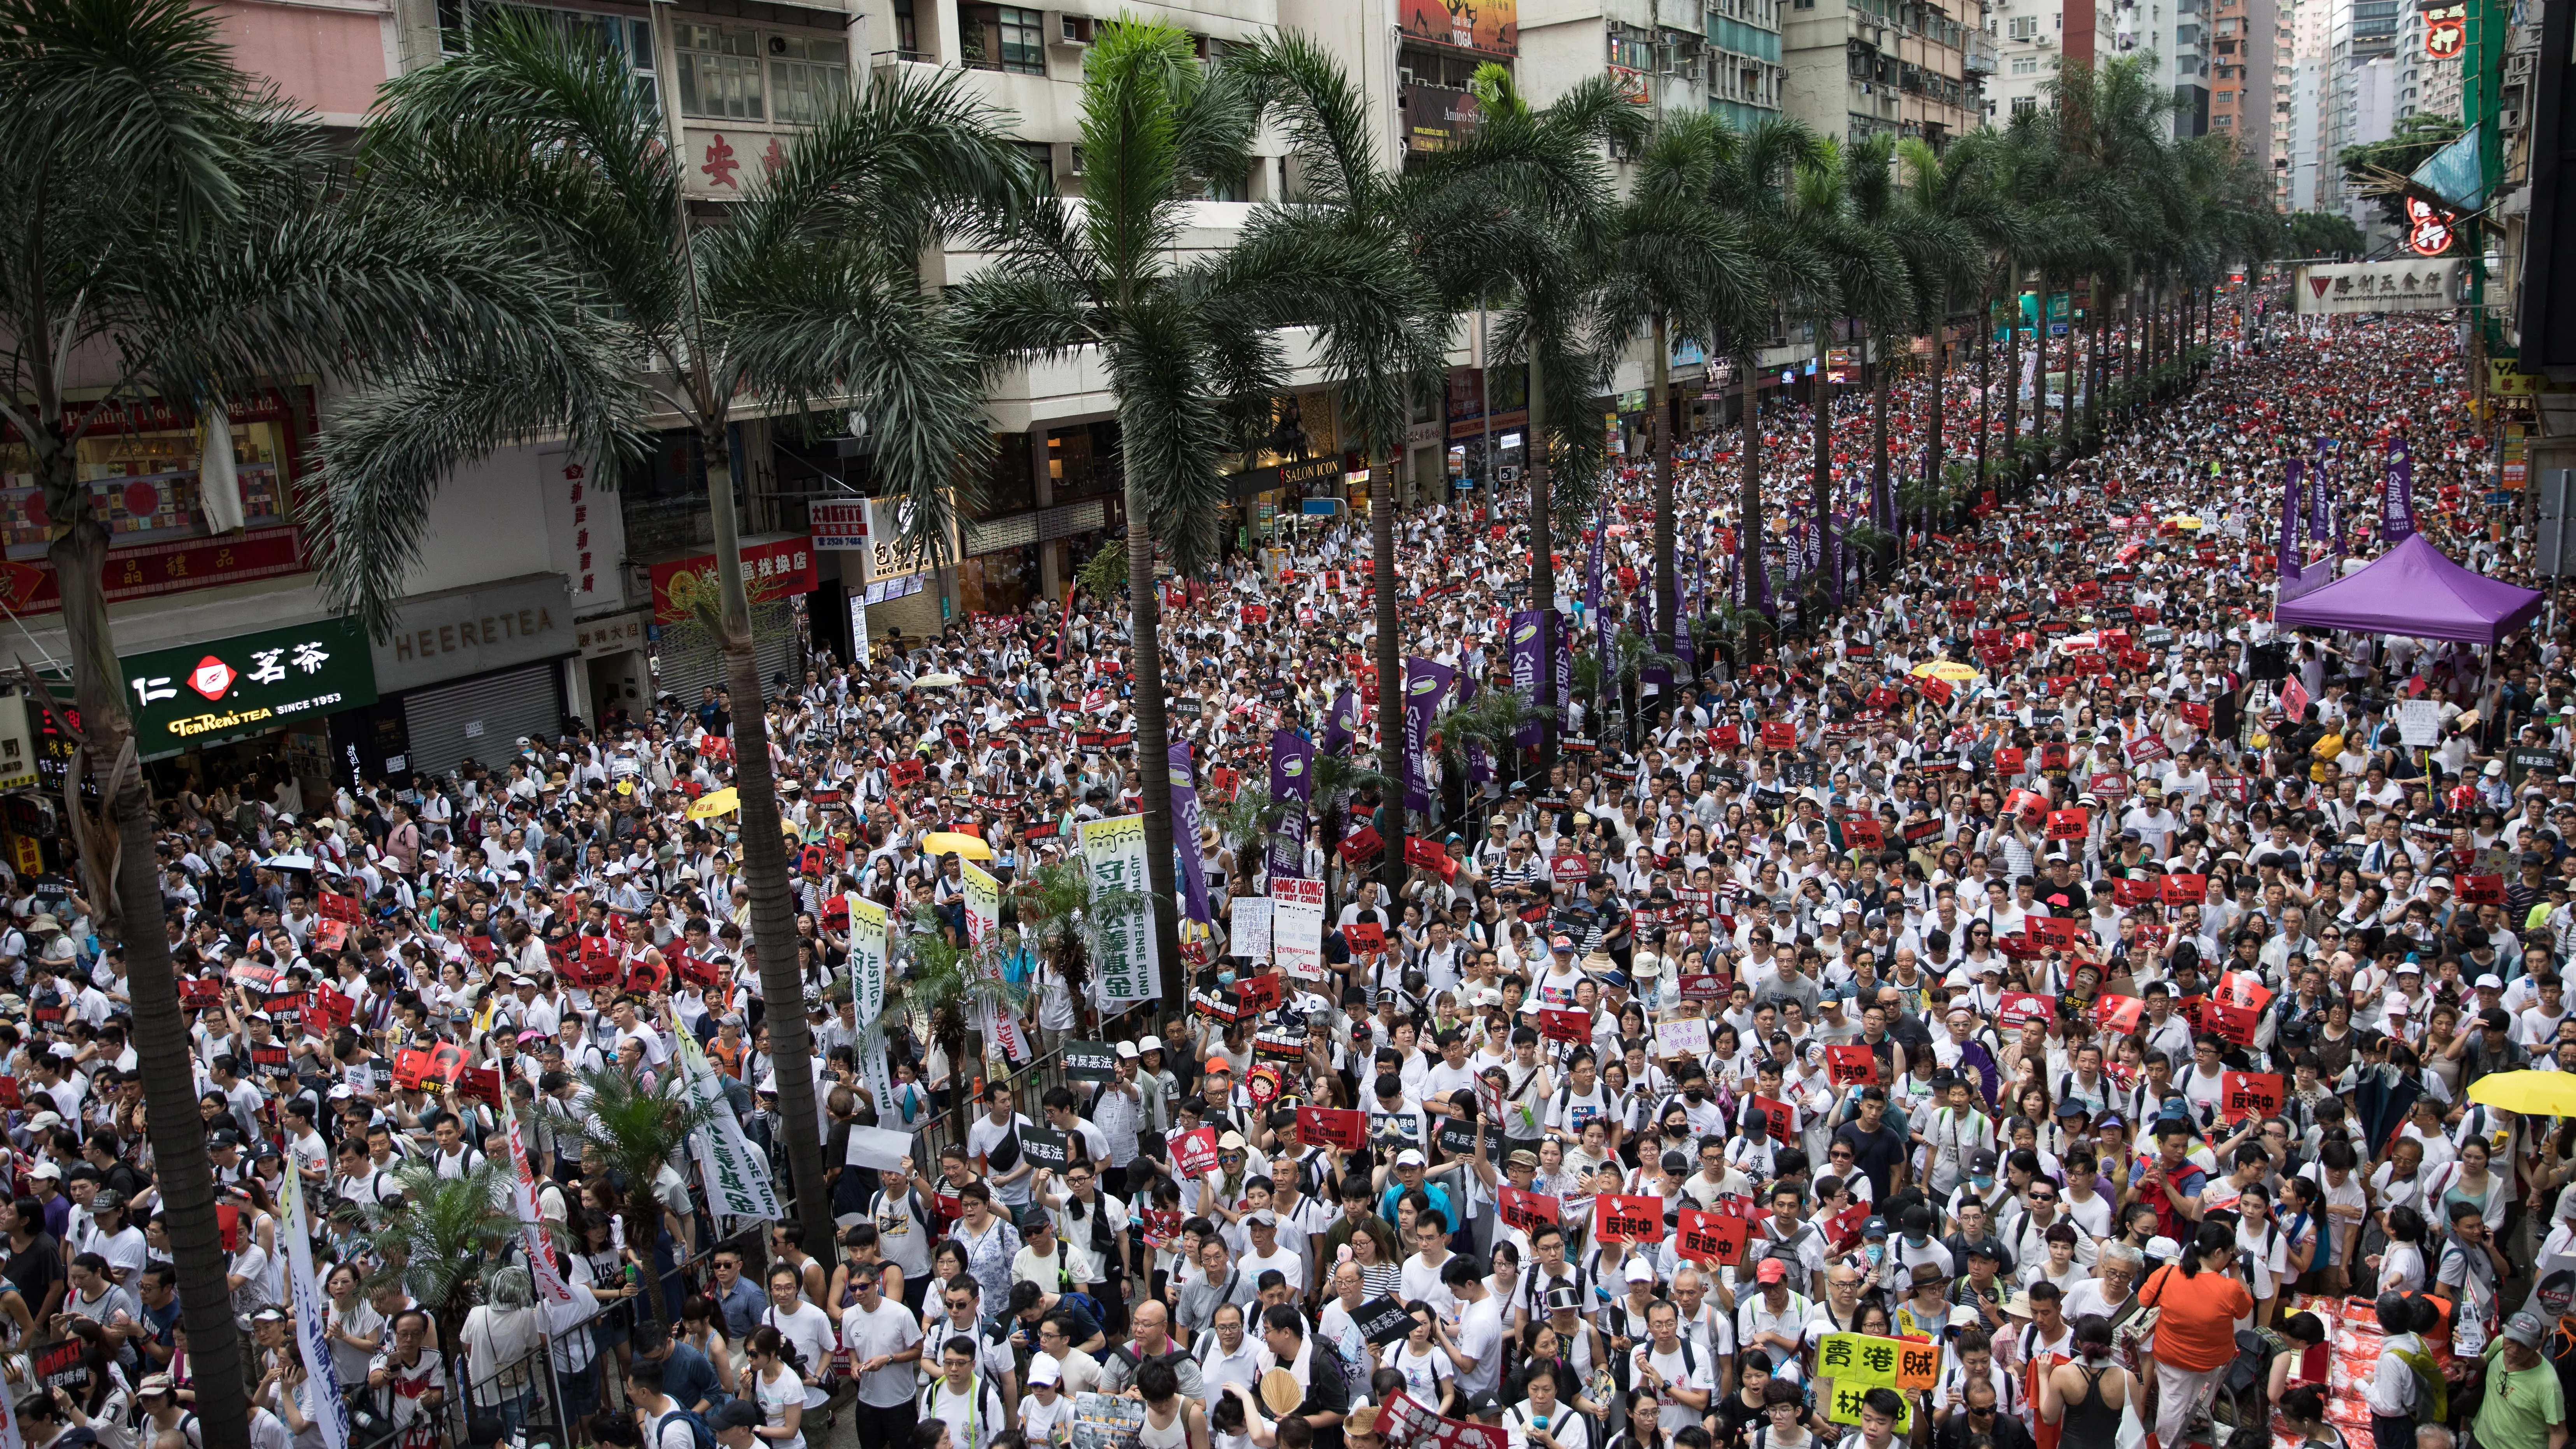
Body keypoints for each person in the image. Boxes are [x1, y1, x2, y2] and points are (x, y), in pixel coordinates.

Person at [2139, 1222, 2253, 1449]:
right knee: (2199, 1401)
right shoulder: (2230, 1288)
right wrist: (2234, 1270)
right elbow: (2246, 1308)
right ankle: (2191, 1430)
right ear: (2218, 1253)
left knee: (2171, 1404)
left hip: (2171, 1358)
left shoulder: (2167, 1274)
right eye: (2230, 1254)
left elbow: (2144, 1299)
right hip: (2212, 1361)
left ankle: (2167, 1444)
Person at [2036, 1315, 2133, 1449]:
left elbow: (2049, 1418)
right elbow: (2136, 1425)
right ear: (2109, 1342)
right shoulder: (2127, 1378)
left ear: (2079, 1342)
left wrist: (2042, 1376)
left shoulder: (2062, 1374)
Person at [2471, 1313, 2565, 1449]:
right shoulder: (2499, 1344)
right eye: (2511, 1341)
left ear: (2536, 1346)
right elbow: (2483, 1362)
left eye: (2525, 1346)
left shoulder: (2548, 1384)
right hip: (2481, 1440)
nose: (2514, 1351)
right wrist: (2467, 1350)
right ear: (2504, 1332)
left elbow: (2559, 1433)